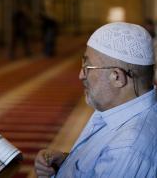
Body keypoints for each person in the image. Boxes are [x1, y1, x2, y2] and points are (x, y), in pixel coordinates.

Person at [35, 22, 157, 177]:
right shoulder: (120, 107)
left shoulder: (126, 149)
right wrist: (66, 162)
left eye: (88, 67)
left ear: (117, 77)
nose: (81, 75)